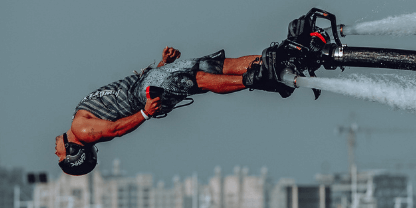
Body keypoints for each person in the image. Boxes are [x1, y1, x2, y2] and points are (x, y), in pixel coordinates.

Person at [55, 46, 290, 176]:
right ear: (74, 152)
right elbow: (116, 129)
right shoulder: (82, 130)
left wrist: (161, 66)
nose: (56, 152)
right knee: (199, 79)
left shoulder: (81, 122)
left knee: (214, 65)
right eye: (61, 156)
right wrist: (146, 112)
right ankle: (259, 77)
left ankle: (280, 60)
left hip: (147, 82)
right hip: (146, 94)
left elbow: (121, 96)